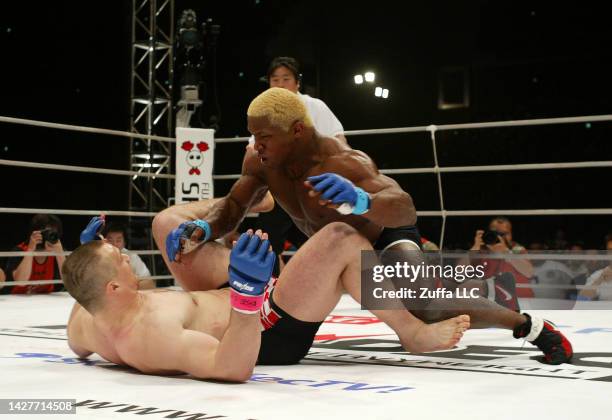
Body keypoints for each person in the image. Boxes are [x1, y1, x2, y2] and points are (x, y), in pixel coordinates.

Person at [158, 88, 572, 364]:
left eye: (264, 136)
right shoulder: (260, 162)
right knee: (373, 273)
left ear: (297, 130)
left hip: (386, 236)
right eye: (253, 136)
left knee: (425, 304)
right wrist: (203, 230)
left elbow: (404, 209)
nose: (256, 145)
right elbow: (233, 207)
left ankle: (527, 325)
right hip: (341, 249)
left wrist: (361, 201)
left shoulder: (341, 161)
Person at [64, 225, 470, 381]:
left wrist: (87, 254)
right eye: (117, 260)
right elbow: (231, 367)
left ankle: (253, 211)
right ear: (113, 289)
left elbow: (82, 301)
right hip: (262, 329)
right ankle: (412, 331)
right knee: (341, 240)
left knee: (170, 224)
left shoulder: (85, 317)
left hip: (234, 300)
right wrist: (246, 296)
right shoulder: (153, 334)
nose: (124, 254)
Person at [250, 56, 346, 275]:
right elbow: (252, 150)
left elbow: (339, 140)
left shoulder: (314, 106)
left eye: (286, 79)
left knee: (323, 237)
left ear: (297, 82)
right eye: (276, 80)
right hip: (280, 187)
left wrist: (337, 173)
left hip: (314, 184)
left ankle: (331, 281)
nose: (281, 84)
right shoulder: (262, 111)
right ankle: (270, 287)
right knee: (268, 239)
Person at [79, 217, 155, 290]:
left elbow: (149, 283)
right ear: (104, 241)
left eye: (118, 240)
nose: (114, 244)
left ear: (124, 242)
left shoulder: (131, 256)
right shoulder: (96, 255)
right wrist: (86, 248)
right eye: (110, 240)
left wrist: (124, 288)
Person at [4, 214, 65, 294]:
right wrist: (30, 250)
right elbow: (21, 282)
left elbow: (68, 282)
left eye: (53, 233)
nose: (49, 236)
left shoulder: (57, 252)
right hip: (18, 300)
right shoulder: (20, 250)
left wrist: (60, 253)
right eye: (46, 232)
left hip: (47, 301)